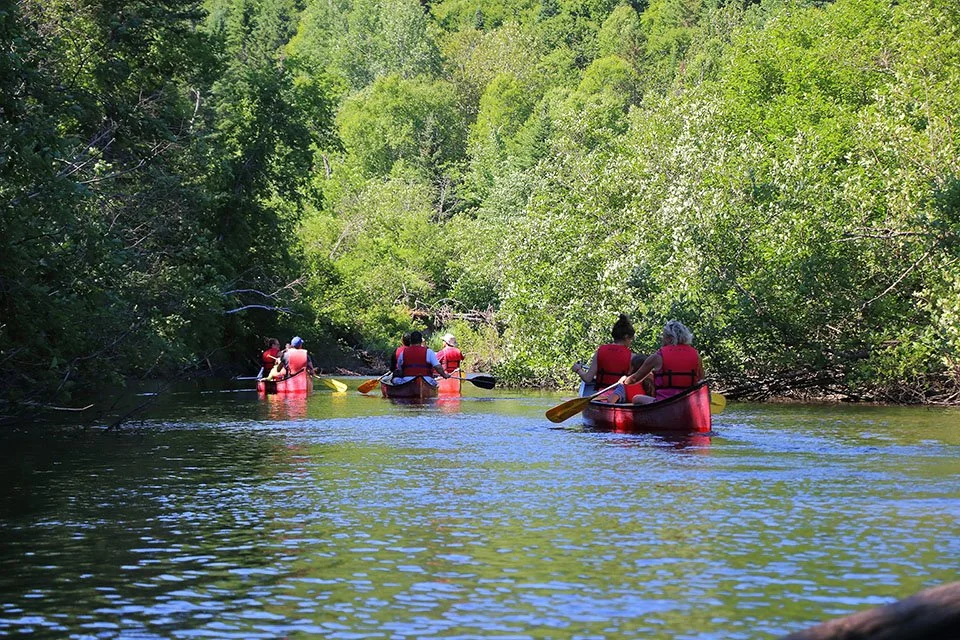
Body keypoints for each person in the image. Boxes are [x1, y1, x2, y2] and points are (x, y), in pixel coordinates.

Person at [617, 320, 704, 404]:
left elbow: (634, 379)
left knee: (636, 398)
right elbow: (700, 381)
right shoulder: (696, 356)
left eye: (664, 336)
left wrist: (624, 381)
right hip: (688, 403)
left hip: (664, 403)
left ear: (669, 338)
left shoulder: (658, 357)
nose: (662, 339)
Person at [572, 314, 651, 398]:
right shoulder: (632, 357)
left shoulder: (600, 352)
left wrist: (578, 369)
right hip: (623, 395)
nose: (630, 342)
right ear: (626, 337)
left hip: (601, 394)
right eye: (631, 339)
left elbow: (587, 378)